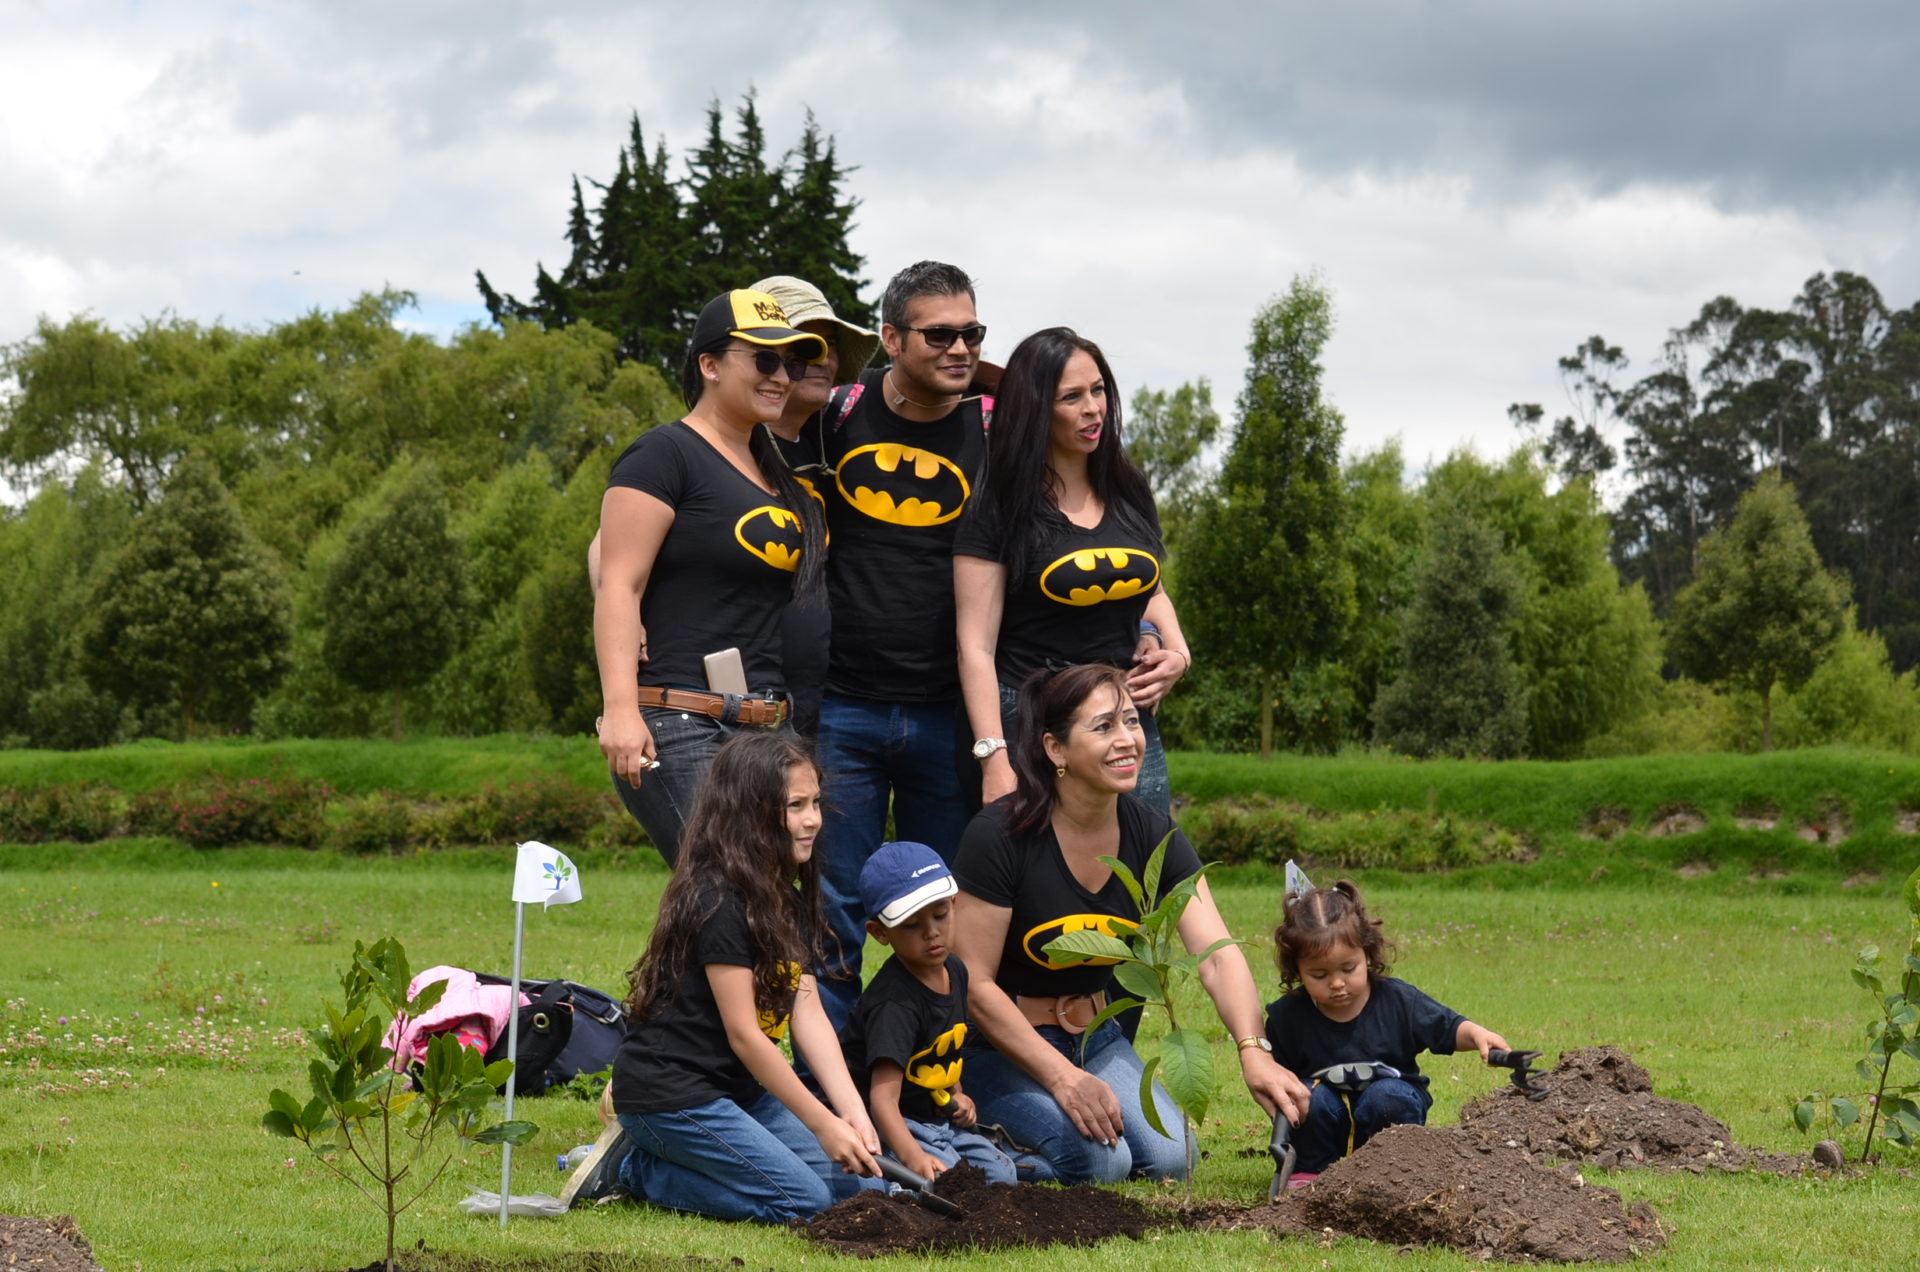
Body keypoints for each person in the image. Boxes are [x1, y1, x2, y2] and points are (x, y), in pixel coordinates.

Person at [948, 664, 1309, 1184]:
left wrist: (1253, 1051)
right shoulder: (999, 837)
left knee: (1173, 1158)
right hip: (998, 1044)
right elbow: (974, 984)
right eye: (1104, 727)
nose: (1127, 741)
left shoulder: (1153, 834)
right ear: (1056, 750)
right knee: (1100, 1162)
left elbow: (1218, 954)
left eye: (1132, 721)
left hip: (1096, 1036)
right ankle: (965, 1141)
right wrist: (1063, 1079)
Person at [560, 731, 884, 1222]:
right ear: (753, 812)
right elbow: (746, 1037)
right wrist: (821, 1124)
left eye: (815, 802)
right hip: (672, 1094)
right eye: (796, 805)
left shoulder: (784, 897)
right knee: (804, 1201)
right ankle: (635, 1167)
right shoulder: (719, 901)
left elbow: (809, 1011)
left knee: (858, 1185)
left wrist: (851, 1112)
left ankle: (689, 1158)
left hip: (738, 1093)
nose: (813, 819)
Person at [808, 260, 993, 1028]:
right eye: (939, 333)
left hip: (945, 713)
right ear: (890, 337)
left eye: (972, 332)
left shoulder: (993, 428)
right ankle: (832, 1097)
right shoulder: (836, 415)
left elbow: (1082, 522)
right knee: (834, 912)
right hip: (841, 706)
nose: (960, 347)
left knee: (937, 915)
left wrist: (1153, 624)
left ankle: (930, 1075)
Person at [593, 288, 827, 863]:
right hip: (681, 722)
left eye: (792, 364)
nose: (781, 376)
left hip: (768, 726)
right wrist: (620, 710)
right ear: (710, 364)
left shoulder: (776, 472)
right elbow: (619, 578)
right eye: (764, 360)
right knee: (727, 889)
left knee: (761, 903)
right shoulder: (664, 453)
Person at [954, 327, 1190, 813]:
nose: (1093, 408)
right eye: (1072, 397)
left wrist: (1179, 655)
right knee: (1043, 880)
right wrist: (994, 759)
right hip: (1038, 727)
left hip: (1126, 721)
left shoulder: (1127, 488)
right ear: (1035, 408)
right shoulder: (998, 504)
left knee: (1145, 873)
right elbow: (974, 647)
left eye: (1099, 390)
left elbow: (1152, 591)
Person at [1264, 880, 1512, 1186]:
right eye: (1319, 975)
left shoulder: (1397, 1000)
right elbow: (1272, 1073)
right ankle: (1312, 1175)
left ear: (1367, 954)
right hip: (1324, 1127)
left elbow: (1446, 1027)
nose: (1337, 983)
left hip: (1390, 1112)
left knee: (1387, 1097)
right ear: (1297, 970)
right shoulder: (1288, 1016)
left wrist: (1477, 1035)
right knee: (1308, 1097)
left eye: (1348, 968)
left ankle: (1395, 1173)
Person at [838, 840, 1018, 1185]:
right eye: (910, 925)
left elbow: (946, 1049)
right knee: (953, 1182)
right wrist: (913, 1158)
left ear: (955, 904)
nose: (931, 932)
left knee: (1003, 1175)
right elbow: (882, 1099)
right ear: (879, 932)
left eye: (940, 914)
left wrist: (958, 1095)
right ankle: (895, 1180)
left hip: (937, 1117)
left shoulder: (957, 970)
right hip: (895, 1122)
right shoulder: (894, 1004)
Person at [748, 275, 880, 738]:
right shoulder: (721, 439)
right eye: (806, 345)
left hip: (807, 711)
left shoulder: (833, 439)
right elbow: (614, 545)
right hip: (730, 708)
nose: (823, 357)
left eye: (830, 344)